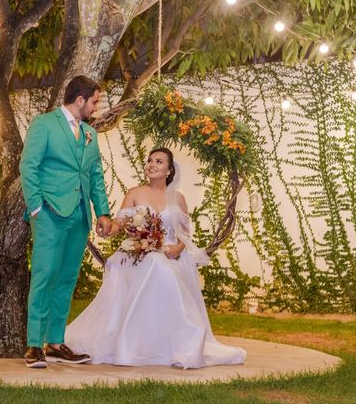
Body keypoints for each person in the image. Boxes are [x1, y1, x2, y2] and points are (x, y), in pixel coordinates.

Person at [65, 148, 247, 368]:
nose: (151, 164)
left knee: (163, 264)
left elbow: (185, 234)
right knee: (153, 262)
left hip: (171, 253)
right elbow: (120, 225)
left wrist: (178, 248)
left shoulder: (178, 198)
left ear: (169, 170)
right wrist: (107, 228)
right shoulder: (134, 192)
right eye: (149, 160)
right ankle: (146, 342)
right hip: (138, 252)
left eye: (159, 161)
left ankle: (183, 342)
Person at [19, 75, 113, 369]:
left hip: (79, 215)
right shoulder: (44, 124)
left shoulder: (89, 133)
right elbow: (28, 166)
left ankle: (55, 342)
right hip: (49, 213)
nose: (96, 107)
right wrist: (36, 209)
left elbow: (94, 175)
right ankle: (34, 345)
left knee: (66, 279)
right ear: (80, 99)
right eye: (94, 101)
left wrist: (103, 212)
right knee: (45, 277)